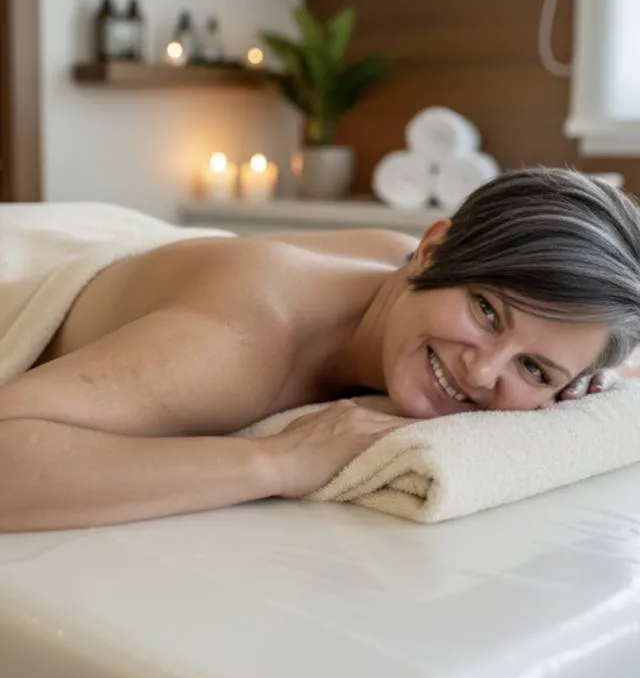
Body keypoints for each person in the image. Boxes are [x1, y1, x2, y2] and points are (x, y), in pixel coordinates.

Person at [0, 167, 639, 532]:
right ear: (431, 250)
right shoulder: (240, 342)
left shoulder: (398, 269)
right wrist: (275, 463)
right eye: (487, 311)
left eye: (534, 367)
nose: (483, 369)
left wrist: (565, 380)